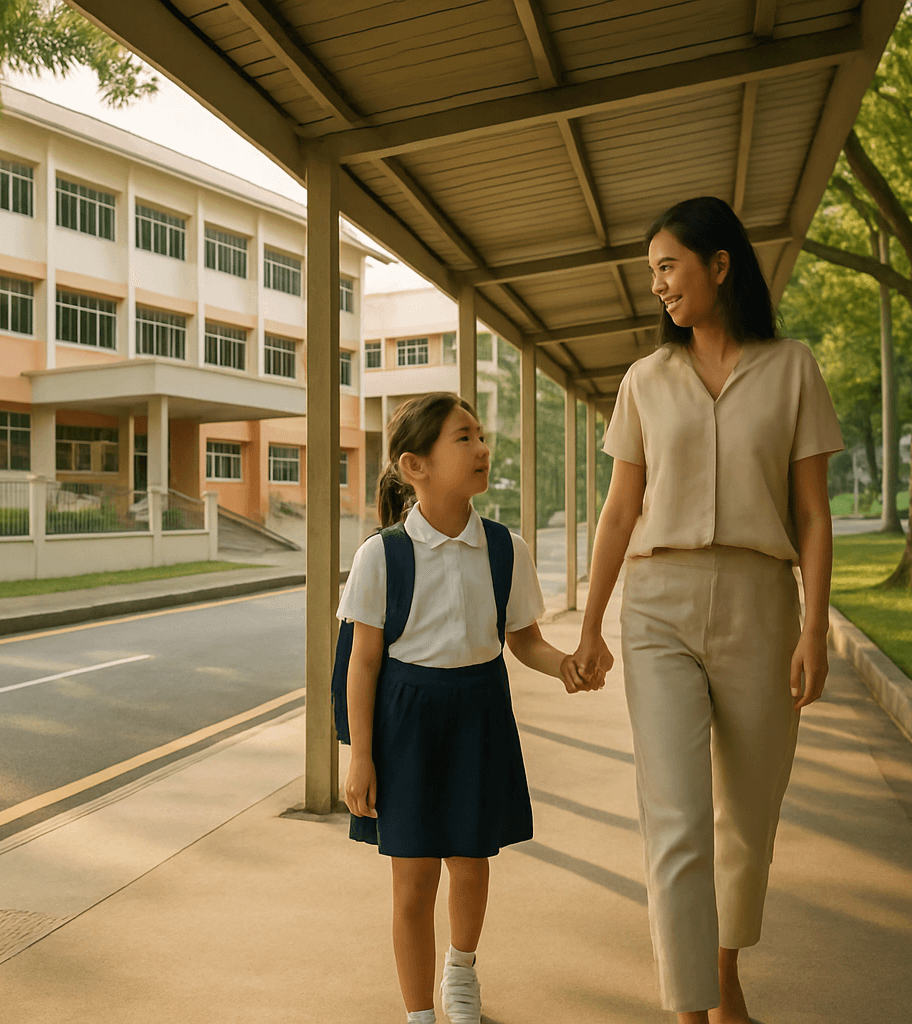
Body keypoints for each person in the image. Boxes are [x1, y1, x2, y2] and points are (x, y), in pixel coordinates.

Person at [573, 196, 845, 1024]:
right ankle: (691, 1011)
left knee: (746, 818)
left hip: (762, 606)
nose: (656, 284)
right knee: (678, 817)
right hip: (658, 607)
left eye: (668, 265)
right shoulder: (645, 381)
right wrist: (589, 626)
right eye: (651, 270)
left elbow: (812, 514)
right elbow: (620, 511)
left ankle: (724, 981)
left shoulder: (793, 367)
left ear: (719, 265)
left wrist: (814, 629)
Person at [337, 392, 595, 1024]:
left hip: (479, 714)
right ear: (413, 465)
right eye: (463, 438)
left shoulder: (506, 548)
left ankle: (461, 969)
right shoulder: (382, 554)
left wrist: (561, 662)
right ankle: (419, 1014)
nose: (483, 448)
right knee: (413, 880)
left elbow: (523, 640)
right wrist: (360, 757)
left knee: (472, 864)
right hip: (406, 724)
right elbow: (362, 663)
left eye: (481, 435)